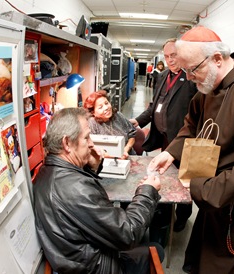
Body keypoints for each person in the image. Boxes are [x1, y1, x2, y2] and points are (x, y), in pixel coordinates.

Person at [148, 26, 234, 273]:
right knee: (202, 258)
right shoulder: (209, 85)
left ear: (217, 59)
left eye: (192, 69)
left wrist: (197, 187)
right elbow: (191, 123)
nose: (188, 77)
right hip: (215, 193)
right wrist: (171, 152)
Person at [33, 107, 164, 274]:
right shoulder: (75, 189)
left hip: (80, 258)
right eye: (86, 137)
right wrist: (147, 192)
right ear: (67, 143)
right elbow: (128, 233)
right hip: (98, 267)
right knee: (156, 249)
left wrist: (92, 168)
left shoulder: (47, 172)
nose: (91, 144)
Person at [130, 38, 198, 242]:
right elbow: (154, 107)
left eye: (174, 55)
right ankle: (166, 210)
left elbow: (198, 114)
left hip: (184, 141)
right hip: (165, 140)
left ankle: (183, 216)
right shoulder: (162, 76)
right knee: (167, 178)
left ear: (182, 55)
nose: (170, 60)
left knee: (184, 181)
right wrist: (138, 121)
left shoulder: (192, 79)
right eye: (167, 56)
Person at [83, 90, 136, 159]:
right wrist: (116, 156)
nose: (106, 108)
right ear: (93, 112)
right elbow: (92, 149)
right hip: (104, 161)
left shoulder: (118, 115)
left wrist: (125, 149)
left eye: (106, 103)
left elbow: (132, 135)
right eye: (100, 107)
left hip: (128, 156)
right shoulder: (92, 124)